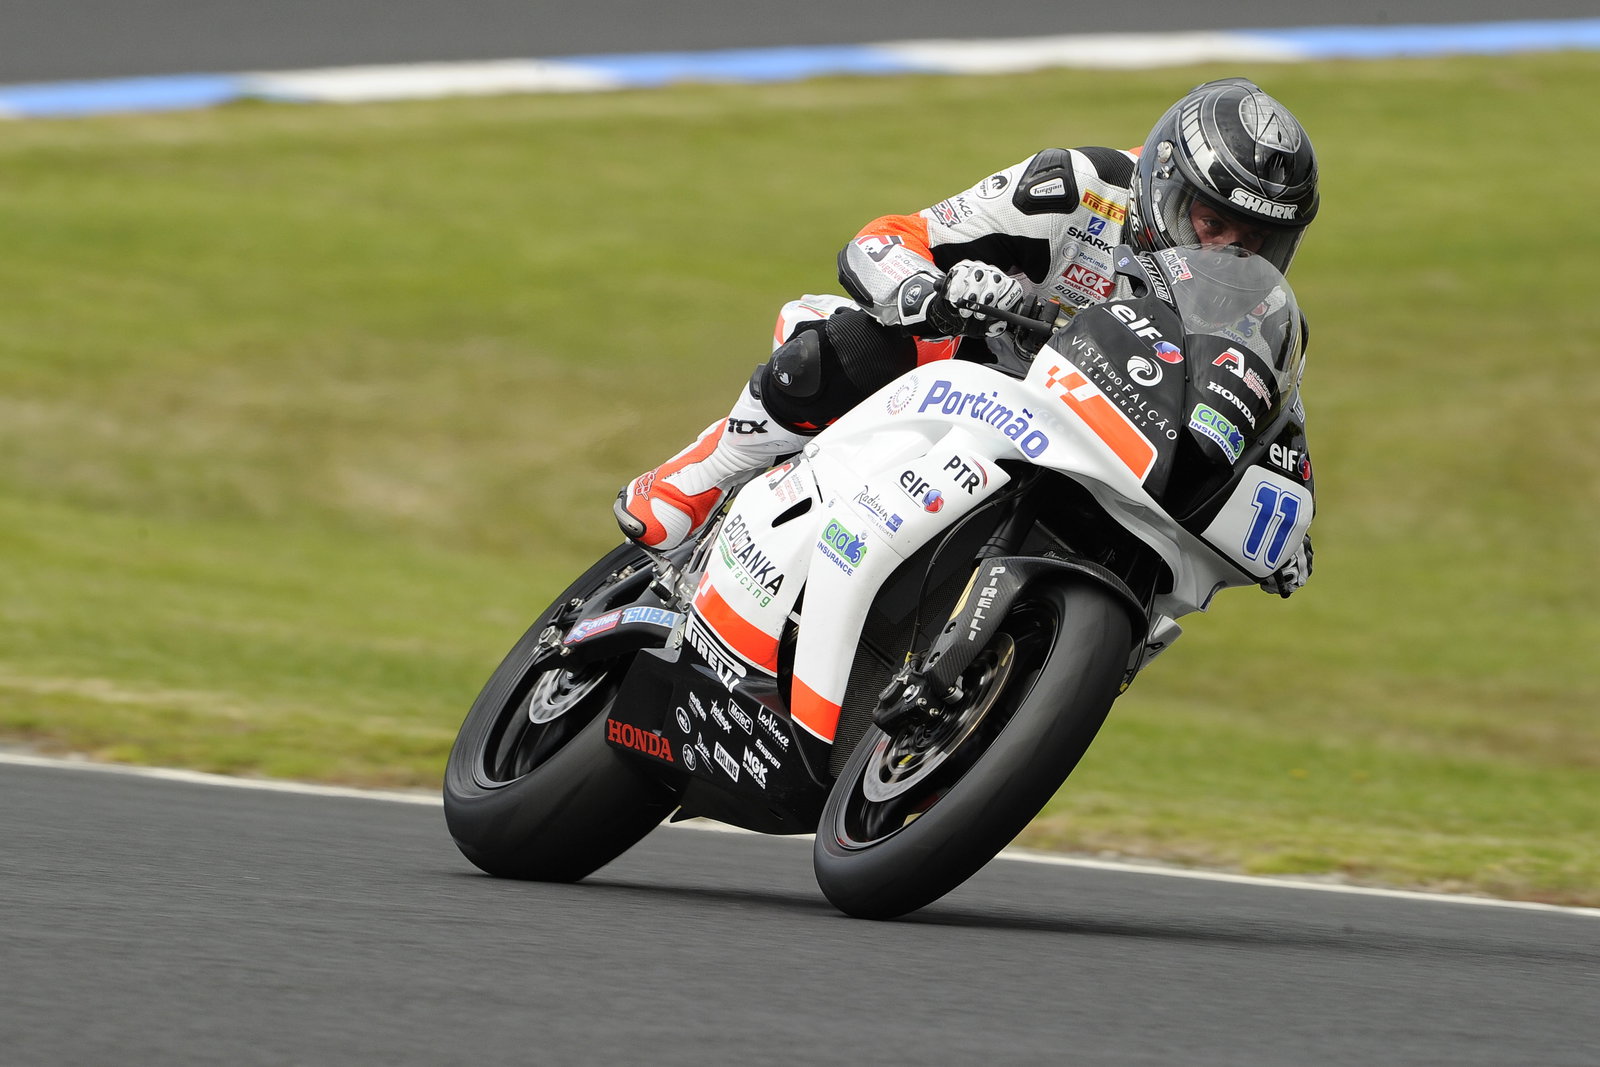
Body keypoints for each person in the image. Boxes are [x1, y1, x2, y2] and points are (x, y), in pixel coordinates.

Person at [614, 76, 1318, 594]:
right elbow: (883, 240)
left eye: (1255, 239)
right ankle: (698, 480)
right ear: (1165, 186)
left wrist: (1281, 521)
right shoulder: (1080, 186)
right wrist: (932, 290)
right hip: (974, 380)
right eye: (1212, 222)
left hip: (1094, 458)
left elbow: (1266, 417)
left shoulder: (1252, 309)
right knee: (869, 340)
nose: (1229, 251)